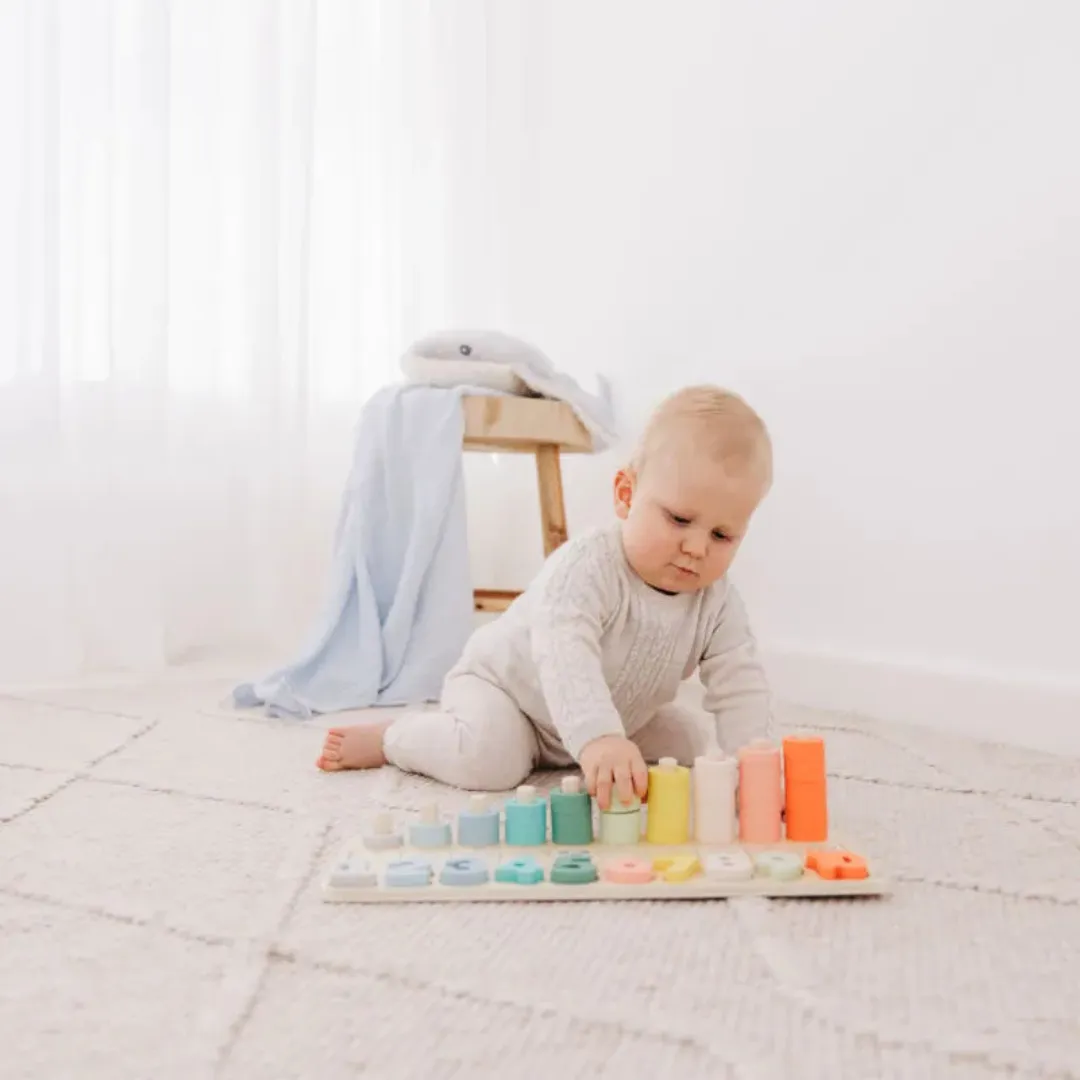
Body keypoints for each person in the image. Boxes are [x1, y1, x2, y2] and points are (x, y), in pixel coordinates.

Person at [316, 384, 775, 810]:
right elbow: (565, 655)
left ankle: (589, 745)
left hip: (613, 711)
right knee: (491, 762)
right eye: (678, 519)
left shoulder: (716, 602)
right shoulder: (587, 568)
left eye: (722, 534)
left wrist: (757, 771)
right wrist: (598, 738)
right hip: (509, 697)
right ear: (626, 494)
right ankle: (395, 737)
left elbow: (741, 685)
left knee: (690, 744)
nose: (696, 548)